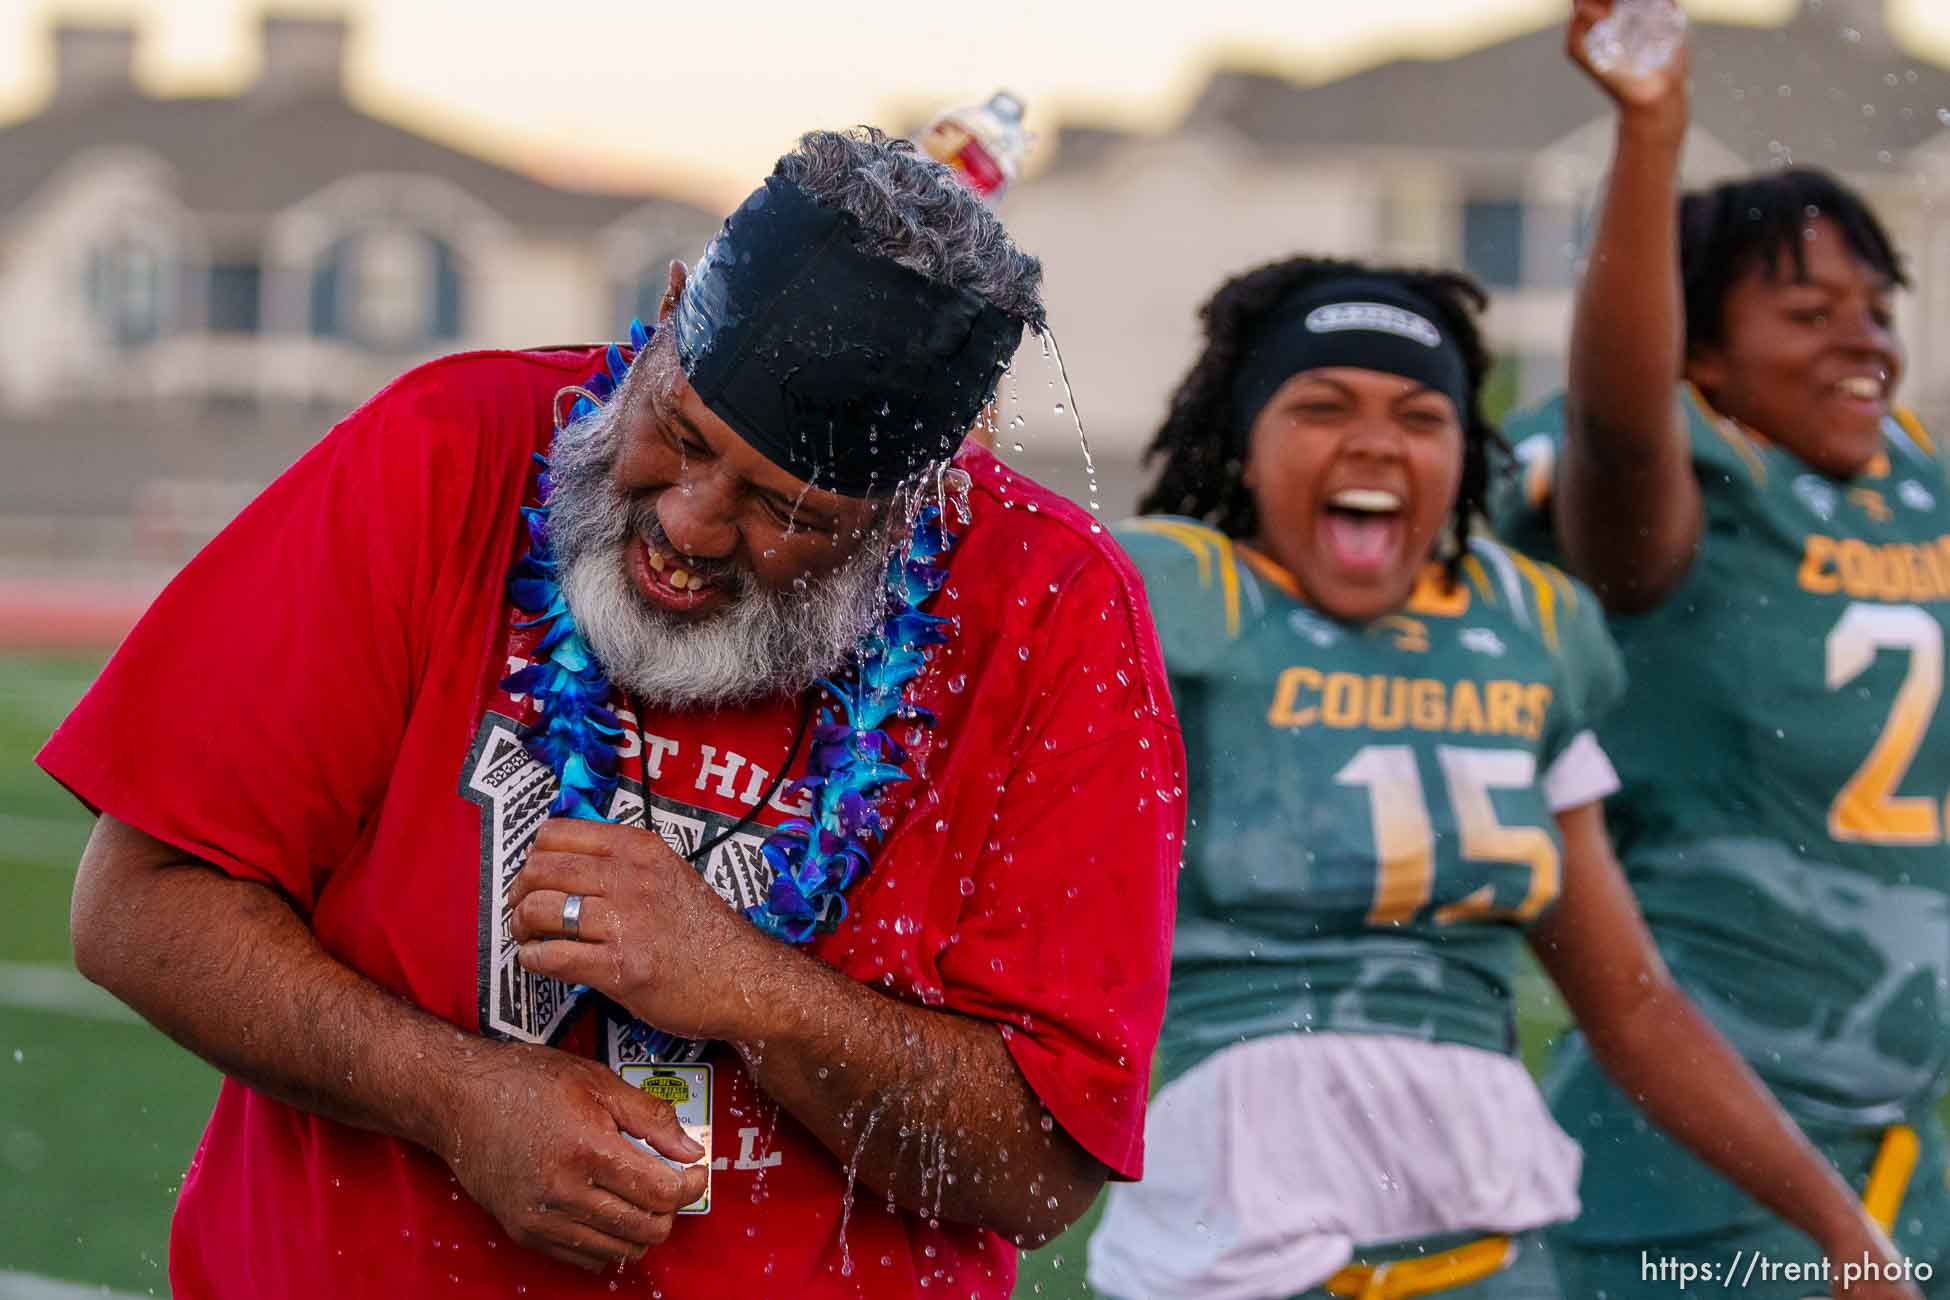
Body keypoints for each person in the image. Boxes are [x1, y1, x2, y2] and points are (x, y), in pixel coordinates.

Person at [37, 128, 1185, 1299]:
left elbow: (1040, 1170)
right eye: (679, 435)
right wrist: (455, 1097)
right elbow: (136, 904)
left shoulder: (1053, 610)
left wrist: (747, 987)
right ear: (673, 306)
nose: (687, 525)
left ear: (909, 506)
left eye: (783, 505)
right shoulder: (448, 449)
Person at [1084, 254, 1913, 1300]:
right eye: (1322, 406)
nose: (1376, 440)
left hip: (1489, 1255)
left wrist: (1842, 1227)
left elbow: (1635, 1009)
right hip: (1231, 1244)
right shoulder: (1167, 599)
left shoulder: (1525, 626)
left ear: (1465, 456)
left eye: (1423, 415)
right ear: (1242, 447)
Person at [1487, 4, 1950, 1295]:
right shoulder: (1675, 502)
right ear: (1699, 358)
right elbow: (1617, 423)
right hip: (1685, 1174)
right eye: (1806, 312)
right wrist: (1651, 132)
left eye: (1873, 306)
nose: (1861, 338)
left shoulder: (1909, 486)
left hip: (1893, 1152)